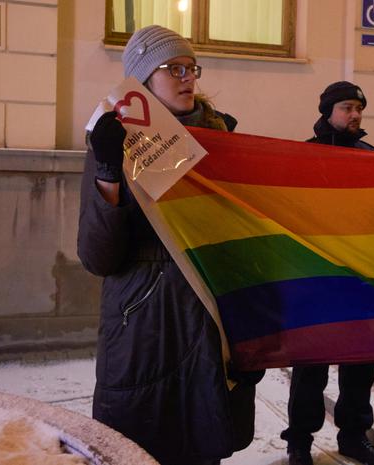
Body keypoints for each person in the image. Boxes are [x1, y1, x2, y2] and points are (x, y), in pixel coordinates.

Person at [77, 25, 261, 465]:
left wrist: (252, 331)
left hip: (207, 318)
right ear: (141, 81)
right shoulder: (114, 140)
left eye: (191, 67)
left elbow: (240, 243)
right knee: (140, 450)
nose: (187, 77)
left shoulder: (220, 136)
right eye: (172, 68)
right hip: (143, 325)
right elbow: (98, 256)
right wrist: (107, 174)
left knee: (204, 445)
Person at [280, 81, 374, 465]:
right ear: (328, 111)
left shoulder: (371, 156)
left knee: (360, 364)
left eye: (359, 107)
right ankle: (300, 443)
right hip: (316, 281)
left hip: (359, 278)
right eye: (347, 107)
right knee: (311, 367)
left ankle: (353, 436)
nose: (355, 114)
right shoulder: (303, 157)